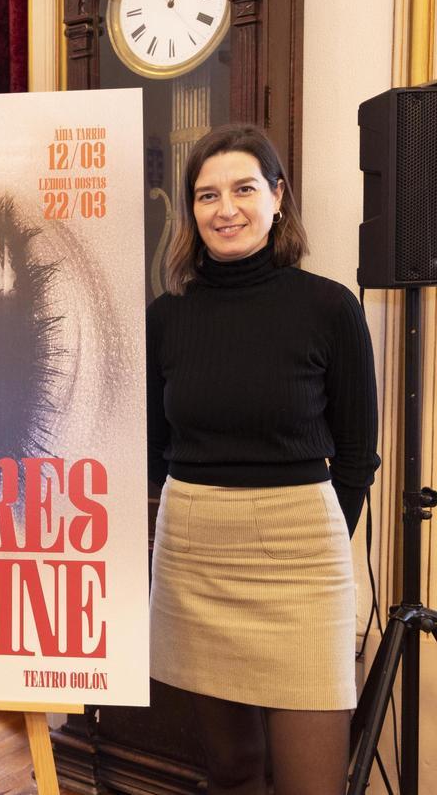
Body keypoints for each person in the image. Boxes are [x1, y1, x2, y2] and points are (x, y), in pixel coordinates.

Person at [147, 124, 379, 795]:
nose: (225, 208)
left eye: (244, 188)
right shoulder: (167, 316)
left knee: (313, 784)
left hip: (303, 558)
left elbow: (358, 458)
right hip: (194, 553)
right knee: (232, 770)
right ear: (191, 211)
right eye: (206, 194)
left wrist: (313, 534)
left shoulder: (330, 308)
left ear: (278, 197)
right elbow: (154, 453)